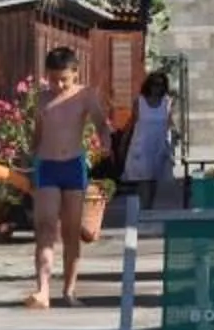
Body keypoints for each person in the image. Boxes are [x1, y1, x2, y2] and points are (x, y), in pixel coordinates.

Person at [25, 45, 108, 308]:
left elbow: (100, 123)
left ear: (75, 73)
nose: (58, 84)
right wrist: (30, 155)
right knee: (46, 227)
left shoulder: (85, 96)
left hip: (73, 166)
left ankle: (69, 291)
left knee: (72, 231)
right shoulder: (41, 99)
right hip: (47, 166)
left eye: (64, 79)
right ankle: (43, 290)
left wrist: (105, 142)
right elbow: (38, 131)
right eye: (52, 79)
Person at [121, 70, 178, 213]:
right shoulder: (139, 102)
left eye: (160, 85)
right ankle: (145, 209)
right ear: (148, 85)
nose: (157, 88)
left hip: (159, 145)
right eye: (154, 84)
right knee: (144, 179)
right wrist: (123, 141)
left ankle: (149, 207)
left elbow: (170, 123)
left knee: (154, 179)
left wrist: (175, 137)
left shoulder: (167, 103)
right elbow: (132, 122)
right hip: (142, 144)